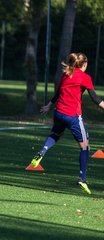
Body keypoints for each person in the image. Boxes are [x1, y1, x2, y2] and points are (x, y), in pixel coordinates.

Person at [30, 52, 104, 194]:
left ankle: (42, 151)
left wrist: (49, 105)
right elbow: (95, 98)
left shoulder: (66, 73)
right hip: (73, 116)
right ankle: (82, 178)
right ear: (84, 64)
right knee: (85, 146)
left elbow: (58, 92)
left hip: (59, 113)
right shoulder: (85, 77)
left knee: (56, 133)